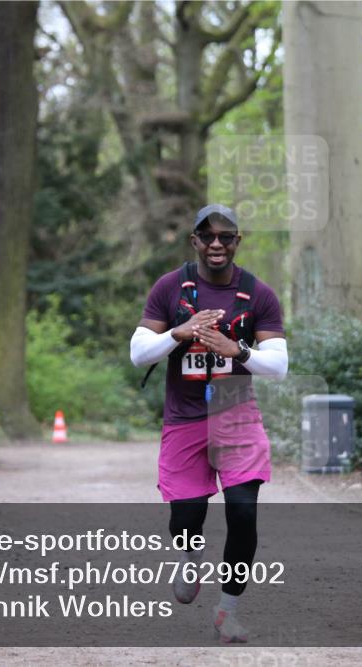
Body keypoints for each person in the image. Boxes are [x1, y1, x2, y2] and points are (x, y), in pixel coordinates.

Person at [129, 203, 288, 644]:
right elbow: (138, 353)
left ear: (238, 241)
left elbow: (279, 366)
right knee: (187, 517)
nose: (217, 244)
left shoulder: (258, 293)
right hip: (184, 418)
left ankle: (227, 611)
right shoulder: (169, 288)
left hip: (237, 415)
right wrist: (177, 333)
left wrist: (236, 350)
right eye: (208, 236)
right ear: (194, 241)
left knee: (243, 512)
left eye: (226, 236)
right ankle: (188, 553)